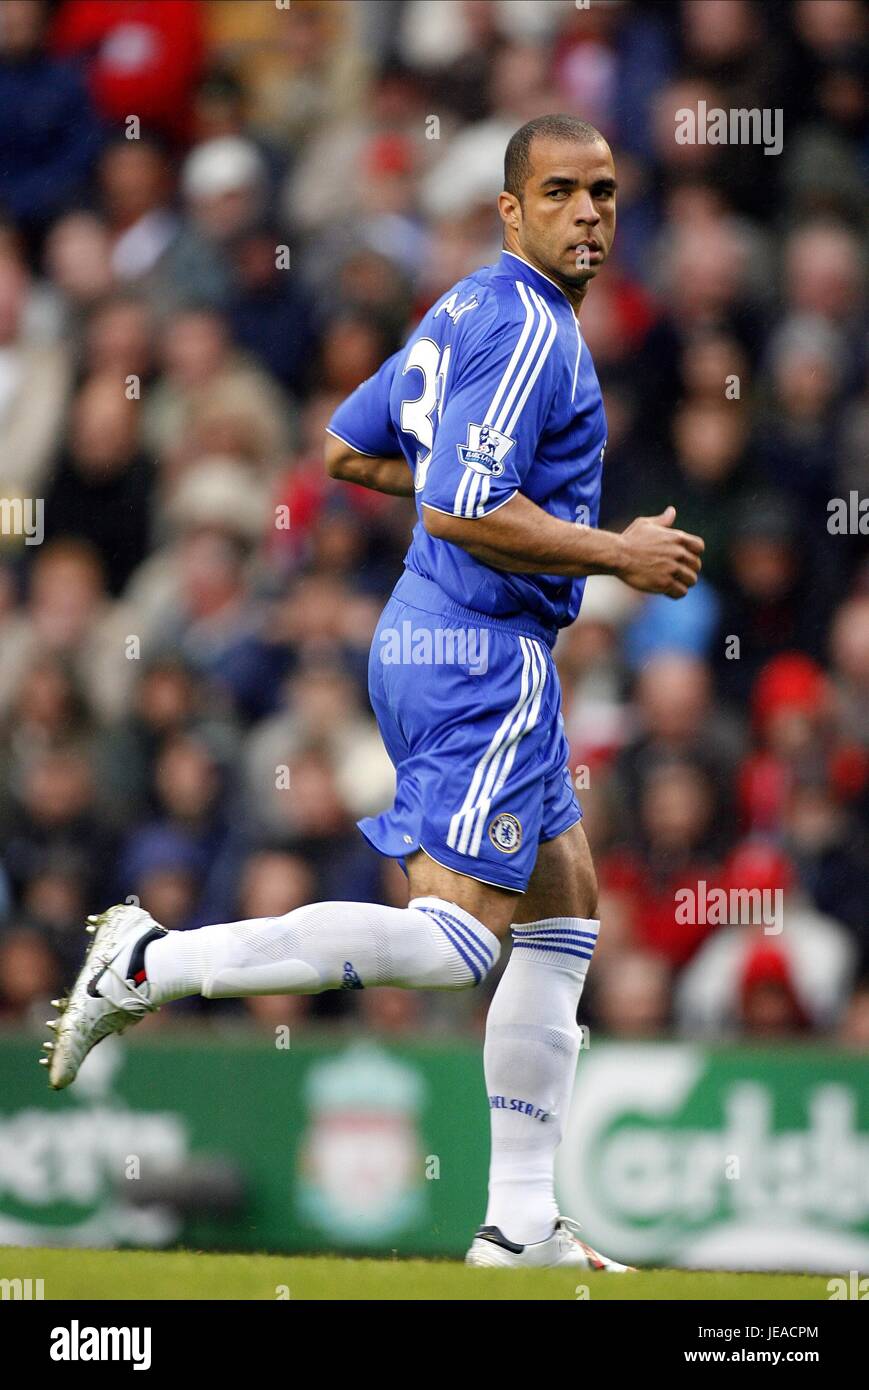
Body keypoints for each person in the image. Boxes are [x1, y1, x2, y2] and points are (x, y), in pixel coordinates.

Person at [43, 114, 704, 1270]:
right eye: (560, 191)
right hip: (476, 650)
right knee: (454, 942)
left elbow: (350, 452)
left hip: (453, 638)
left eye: (603, 191)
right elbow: (455, 506)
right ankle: (150, 961)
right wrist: (615, 555)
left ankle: (522, 1225)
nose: (589, 212)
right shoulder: (531, 333)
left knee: (564, 906)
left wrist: (461, 487)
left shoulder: (461, 308)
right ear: (511, 210)